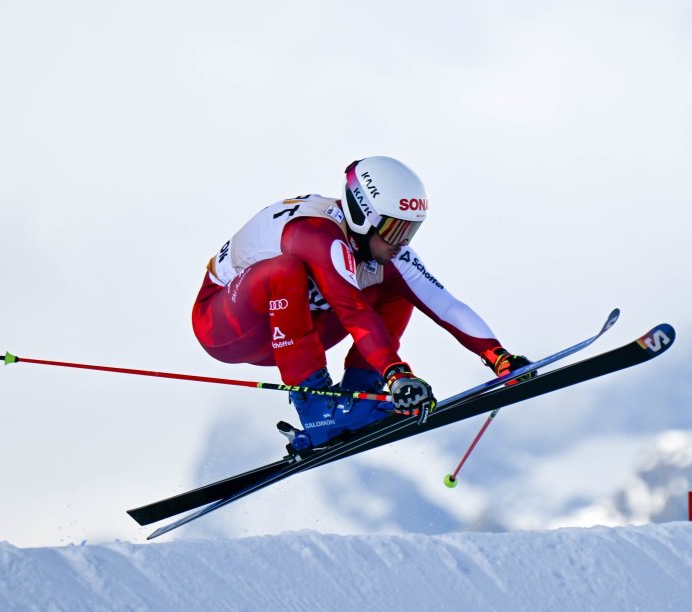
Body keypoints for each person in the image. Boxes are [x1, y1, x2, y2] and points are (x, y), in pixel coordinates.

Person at [191, 156, 532, 451]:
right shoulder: (315, 232)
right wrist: (398, 376)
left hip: (291, 334)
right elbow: (352, 310)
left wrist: (499, 358)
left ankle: (356, 396)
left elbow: (445, 306)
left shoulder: (385, 249)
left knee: (397, 286)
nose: (402, 242)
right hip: (225, 325)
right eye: (394, 229)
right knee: (287, 270)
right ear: (362, 214)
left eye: (410, 231)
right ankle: (317, 408)